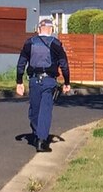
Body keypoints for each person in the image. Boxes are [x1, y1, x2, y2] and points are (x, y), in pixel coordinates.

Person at [16, 17, 71, 152]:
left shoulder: (29, 43)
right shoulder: (56, 44)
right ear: (51, 29)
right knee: (45, 110)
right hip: (49, 81)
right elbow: (64, 65)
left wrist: (19, 82)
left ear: (39, 29)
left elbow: (21, 63)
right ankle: (41, 139)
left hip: (34, 80)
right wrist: (67, 82)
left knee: (34, 110)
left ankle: (37, 134)